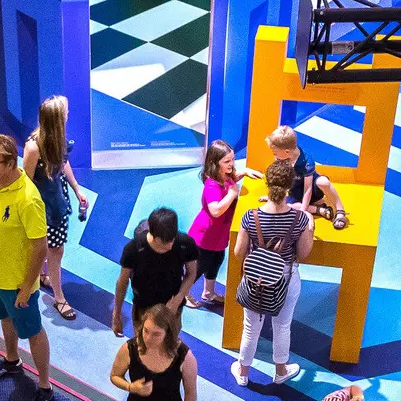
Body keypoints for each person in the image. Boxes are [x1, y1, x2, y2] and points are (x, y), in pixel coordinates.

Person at [0, 135, 55, 401]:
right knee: (5, 319)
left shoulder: (28, 198)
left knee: (33, 331)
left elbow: (40, 248)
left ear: (11, 163)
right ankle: (12, 360)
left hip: (17, 282)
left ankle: (45, 388)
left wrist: (26, 287)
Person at [233, 159, 317, 387]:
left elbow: (239, 253)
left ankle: (242, 372)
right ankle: (281, 371)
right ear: (290, 187)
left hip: (255, 280)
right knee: (282, 325)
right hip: (287, 280)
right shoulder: (299, 219)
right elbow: (304, 253)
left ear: (267, 184)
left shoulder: (250, 217)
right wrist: (310, 227)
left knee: (250, 327)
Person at [23, 96, 89, 320]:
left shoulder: (57, 138)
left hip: (57, 200)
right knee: (55, 251)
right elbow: (26, 184)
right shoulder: (33, 147)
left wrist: (76, 188)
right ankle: (59, 298)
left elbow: (63, 162)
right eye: (66, 111)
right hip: (44, 208)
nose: (69, 113)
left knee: (50, 249)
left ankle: (44, 274)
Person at [113, 209, 199, 338]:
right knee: (142, 347)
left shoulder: (185, 243)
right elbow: (122, 282)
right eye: (165, 241)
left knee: (170, 347)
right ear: (153, 235)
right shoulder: (133, 249)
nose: (170, 245)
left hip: (172, 306)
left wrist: (178, 298)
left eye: (172, 239)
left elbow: (191, 273)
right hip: (143, 306)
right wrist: (117, 313)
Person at [187, 142, 241, 309]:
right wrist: (233, 194)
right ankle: (183, 294)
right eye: (227, 161)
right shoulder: (212, 184)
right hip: (205, 237)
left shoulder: (224, 175)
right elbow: (215, 210)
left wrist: (244, 173)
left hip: (219, 236)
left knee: (215, 263)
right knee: (197, 269)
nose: (231, 164)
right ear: (215, 162)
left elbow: (231, 181)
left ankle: (208, 292)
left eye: (232, 159)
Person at [267, 126, 348, 228]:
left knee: (323, 182)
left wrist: (303, 212)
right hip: (296, 193)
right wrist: (272, 198)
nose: (275, 156)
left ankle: (340, 210)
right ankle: (320, 210)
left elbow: (308, 189)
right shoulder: (283, 158)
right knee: (284, 206)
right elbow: (279, 181)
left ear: (287, 152)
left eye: (275, 153)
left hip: (312, 190)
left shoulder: (306, 161)